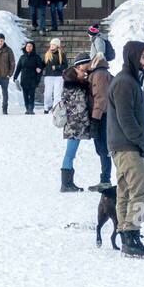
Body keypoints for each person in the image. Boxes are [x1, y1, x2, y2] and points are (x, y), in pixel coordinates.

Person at [107, 40, 144, 258]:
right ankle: (131, 234)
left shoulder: (130, 81)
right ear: (133, 57)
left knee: (126, 191)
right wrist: (141, 142)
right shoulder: (125, 83)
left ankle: (128, 236)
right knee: (140, 192)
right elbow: (126, 118)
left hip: (125, 145)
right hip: (128, 146)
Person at [57, 55, 93, 193]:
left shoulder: (72, 84)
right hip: (75, 126)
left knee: (70, 154)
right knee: (70, 154)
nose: (85, 73)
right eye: (83, 70)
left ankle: (67, 183)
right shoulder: (75, 88)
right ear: (77, 69)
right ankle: (66, 184)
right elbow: (80, 108)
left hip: (72, 125)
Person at [87, 52, 114, 191]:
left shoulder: (99, 74)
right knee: (103, 149)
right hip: (105, 115)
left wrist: (95, 119)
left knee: (103, 148)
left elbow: (100, 97)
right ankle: (105, 179)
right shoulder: (102, 73)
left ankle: (105, 180)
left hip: (102, 116)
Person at [13, 40, 42, 115]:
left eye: (30, 46)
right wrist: (15, 77)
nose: (28, 47)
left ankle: (31, 109)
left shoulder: (37, 57)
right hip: (24, 78)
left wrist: (38, 79)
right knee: (25, 95)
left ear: (33, 48)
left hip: (33, 79)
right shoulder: (22, 57)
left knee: (31, 95)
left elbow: (40, 68)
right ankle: (27, 108)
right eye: (27, 46)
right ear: (25, 47)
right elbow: (18, 68)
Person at [43, 37, 66, 114]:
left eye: (53, 45)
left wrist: (57, 67)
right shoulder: (47, 54)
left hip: (58, 76)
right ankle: (47, 106)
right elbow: (43, 64)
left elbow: (65, 65)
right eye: (51, 44)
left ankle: (55, 108)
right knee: (47, 93)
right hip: (48, 76)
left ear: (57, 46)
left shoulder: (61, 54)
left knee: (57, 93)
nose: (52, 46)